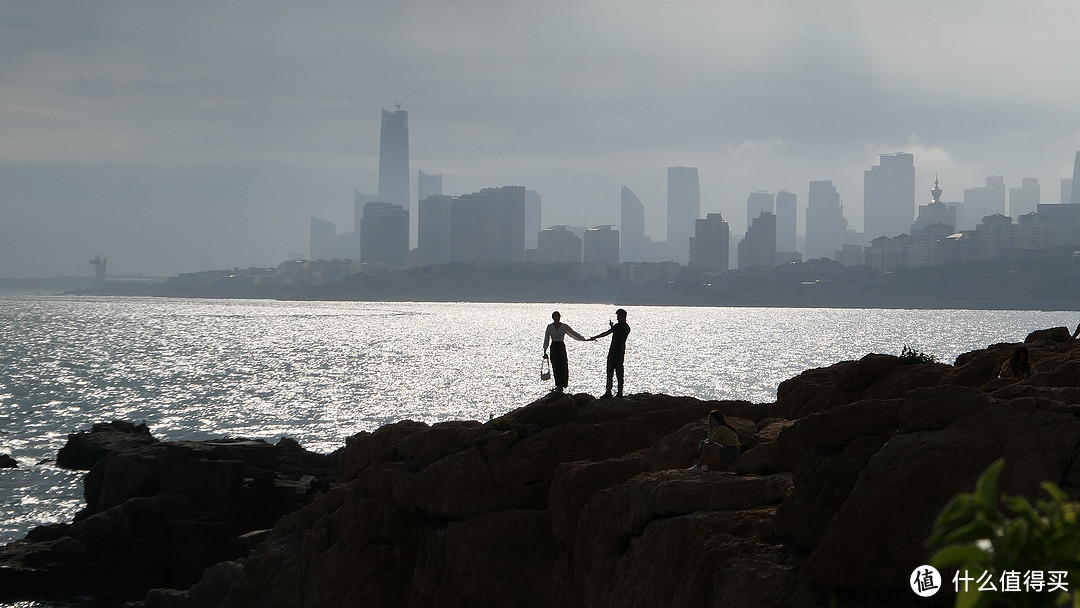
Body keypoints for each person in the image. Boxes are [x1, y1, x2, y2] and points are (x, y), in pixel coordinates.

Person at [588, 308, 631, 399]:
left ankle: (609, 391)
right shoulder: (627, 327)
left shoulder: (618, 326)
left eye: (618, 316)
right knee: (619, 372)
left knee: (610, 371)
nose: (617, 318)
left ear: (623, 316)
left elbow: (607, 333)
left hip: (614, 350)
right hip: (621, 351)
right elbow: (616, 332)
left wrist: (595, 337)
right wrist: (612, 327)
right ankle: (619, 392)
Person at [543, 311, 586, 393]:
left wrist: (583, 339)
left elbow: (573, 333)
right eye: (555, 316)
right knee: (555, 366)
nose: (556, 318)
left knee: (563, 365)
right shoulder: (549, 327)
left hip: (561, 346)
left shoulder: (564, 326)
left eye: (558, 316)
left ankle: (562, 385)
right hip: (554, 346)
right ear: (553, 317)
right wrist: (545, 351)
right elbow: (546, 339)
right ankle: (557, 384)